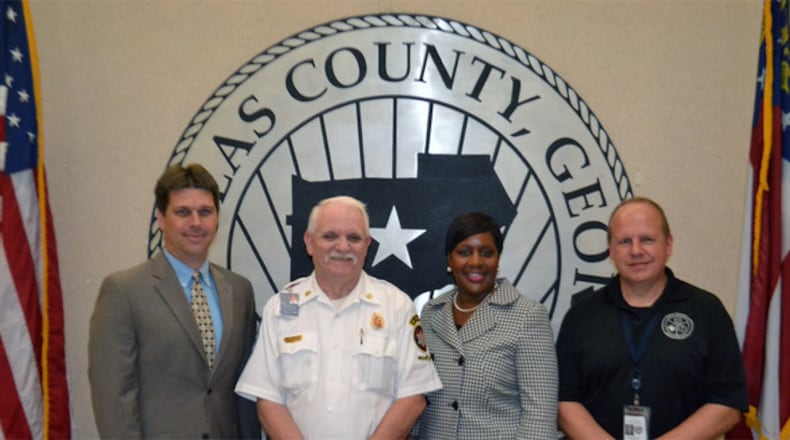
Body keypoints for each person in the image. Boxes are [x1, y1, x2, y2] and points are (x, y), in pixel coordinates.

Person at [235, 195, 442, 439]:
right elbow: (267, 398)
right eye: (330, 236)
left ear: (367, 245)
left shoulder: (396, 306)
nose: (343, 247)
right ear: (309, 242)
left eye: (353, 238)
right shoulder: (281, 307)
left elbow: (413, 396)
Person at [88, 163, 259, 438]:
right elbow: (114, 400)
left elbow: (244, 392)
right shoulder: (124, 291)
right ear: (161, 219)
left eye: (205, 212)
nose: (196, 223)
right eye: (183, 212)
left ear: (217, 218)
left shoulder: (240, 291)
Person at [556, 196, 748, 439]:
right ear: (610, 251)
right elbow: (564, 400)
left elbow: (728, 402)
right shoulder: (582, 315)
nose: (636, 251)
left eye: (647, 239)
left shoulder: (706, 310)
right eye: (625, 241)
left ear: (668, 245)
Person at [416, 212, 558, 439]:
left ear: (498, 259)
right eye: (464, 252)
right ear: (449, 260)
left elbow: (539, 417)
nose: (476, 262)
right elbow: (417, 396)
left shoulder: (528, 317)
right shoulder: (431, 313)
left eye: (486, 253)